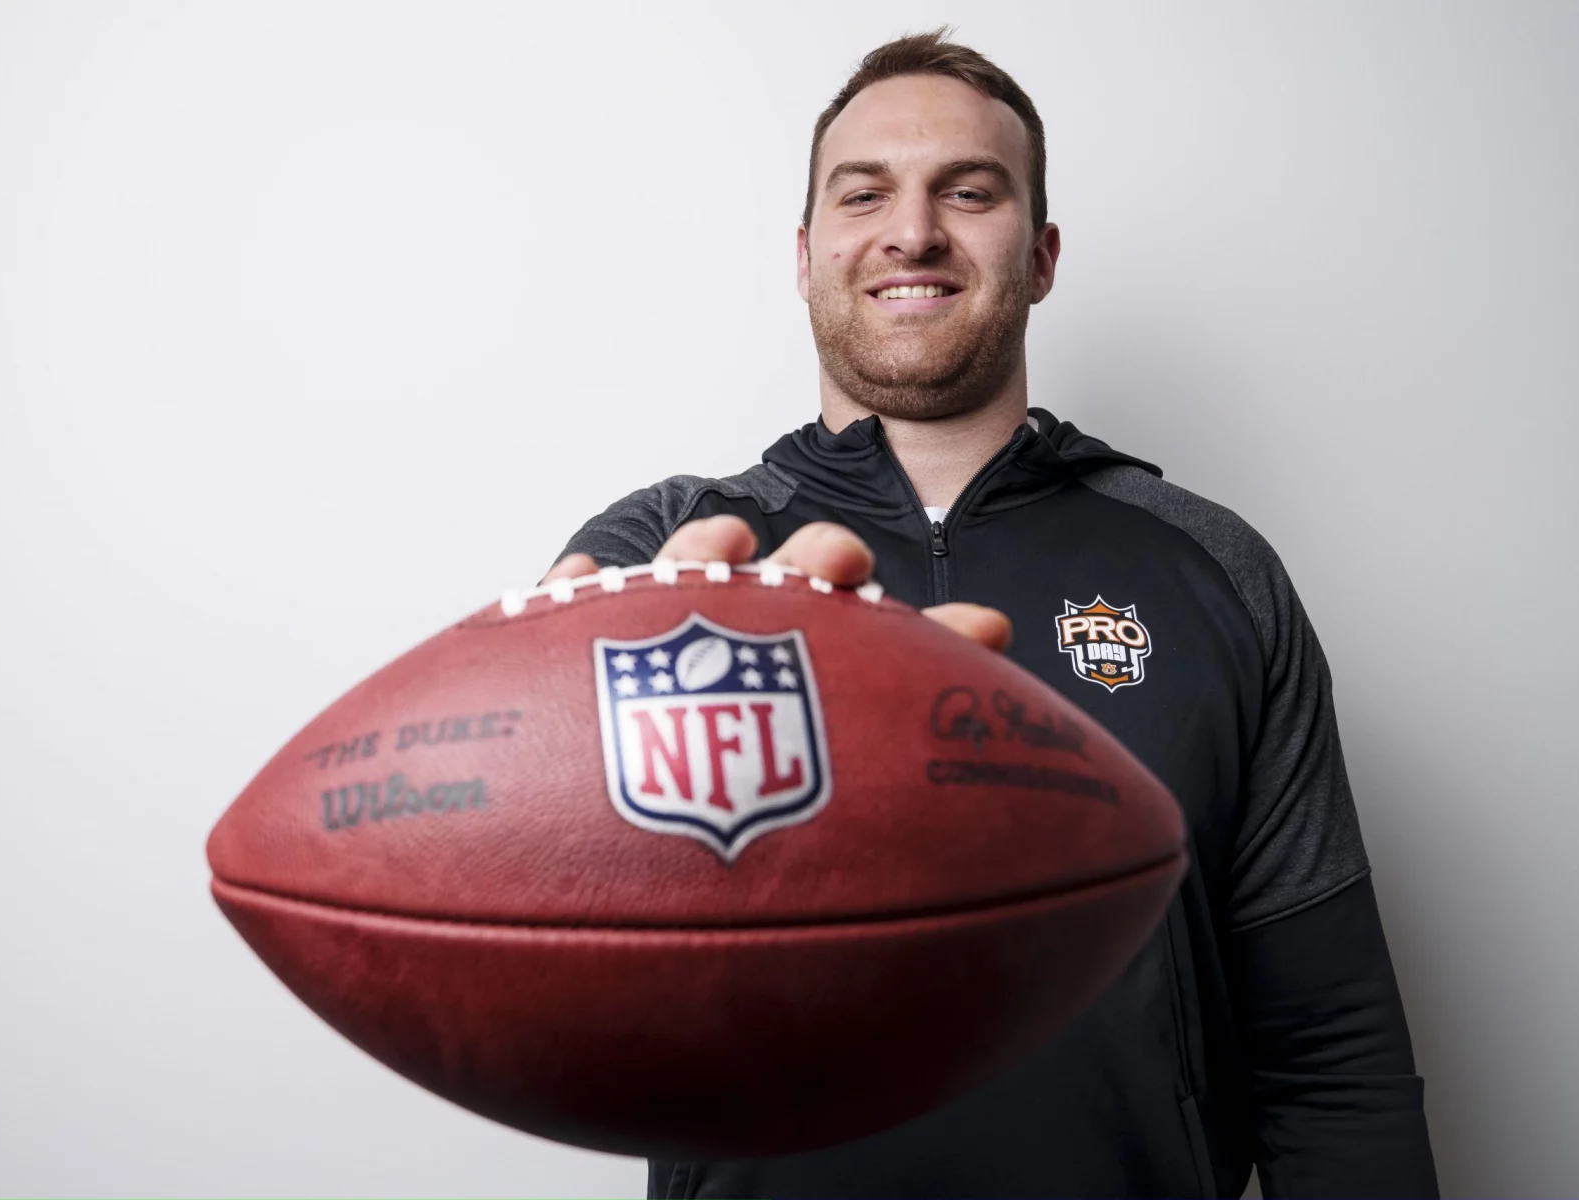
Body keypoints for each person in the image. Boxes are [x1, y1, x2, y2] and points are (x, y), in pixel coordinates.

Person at [545, 30, 1438, 1199]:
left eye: (968, 192)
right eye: (865, 194)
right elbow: (550, 924)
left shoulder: (1216, 567)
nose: (913, 230)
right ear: (808, 254)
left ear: (1043, 253)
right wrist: (544, 745)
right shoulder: (674, 550)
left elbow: (1330, 1054)